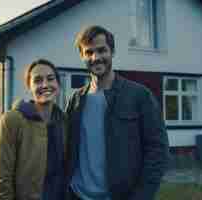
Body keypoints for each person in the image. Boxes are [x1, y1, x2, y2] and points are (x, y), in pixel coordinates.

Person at [65, 25, 169, 200]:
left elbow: (158, 152)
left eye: (101, 50)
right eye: (88, 52)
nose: (96, 57)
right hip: (78, 195)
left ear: (112, 51)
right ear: (82, 56)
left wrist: (141, 196)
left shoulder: (139, 95)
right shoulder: (75, 100)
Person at [0, 59, 68, 200]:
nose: (45, 85)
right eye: (38, 80)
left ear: (58, 84)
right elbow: (2, 179)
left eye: (50, 79)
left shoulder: (64, 121)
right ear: (29, 86)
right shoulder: (12, 121)